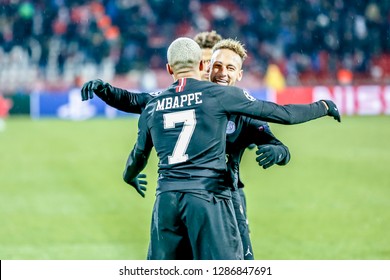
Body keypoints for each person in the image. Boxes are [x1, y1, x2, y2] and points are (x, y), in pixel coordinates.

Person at [122, 37, 340, 260]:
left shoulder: (157, 103)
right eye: (216, 66)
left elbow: (136, 130)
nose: (222, 72)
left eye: (230, 68)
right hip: (211, 198)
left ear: (239, 75)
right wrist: (322, 107)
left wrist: (278, 152)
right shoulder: (222, 97)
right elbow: (284, 114)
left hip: (177, 199)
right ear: (203, 67)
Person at [81, 31, 290, 260]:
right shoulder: (182, 99)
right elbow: (136, 100)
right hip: (192, 196)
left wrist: (276, 152)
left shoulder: (238, 105)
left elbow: (275, 143)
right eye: (211, 65)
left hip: (228, 197)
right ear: (201, 66)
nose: (215, 72)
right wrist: (104, 89)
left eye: (221, 66)